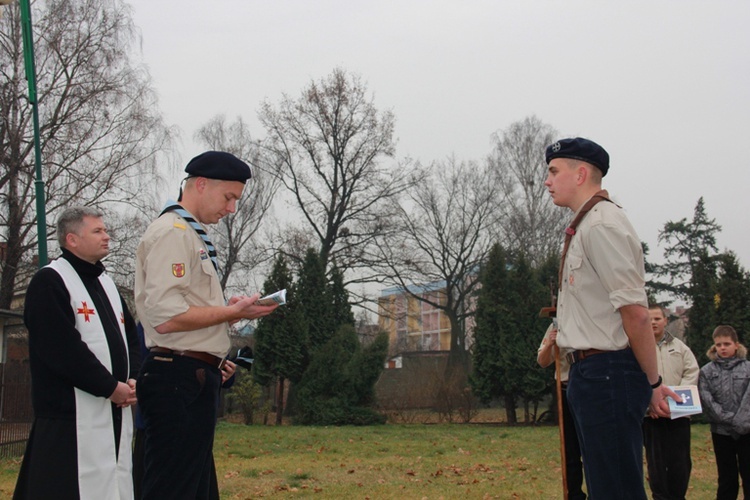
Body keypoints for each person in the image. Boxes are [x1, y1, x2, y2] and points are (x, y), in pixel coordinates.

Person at [135, 151, 278, 499]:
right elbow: (167, 318)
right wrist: (233, 314)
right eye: (229, 197)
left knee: (193, 487)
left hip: (191, 377)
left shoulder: (191, 235)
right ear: (200, 184)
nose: (231, 209)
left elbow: (186, 309)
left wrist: (228, 309)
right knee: (173, 488)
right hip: (176, 376)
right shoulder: (173, 232)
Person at [544, 137, 679, 500]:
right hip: (592, 375)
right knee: (607, 486)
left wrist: (652, 384)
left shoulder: (602, 225)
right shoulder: (585, 225)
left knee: (616, 490)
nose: (547, 181)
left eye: (554, 171)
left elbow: (634, 313)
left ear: (581, 173)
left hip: (609, 374)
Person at [14, 206, 139, 500]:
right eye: (98, 231)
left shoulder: (107, 284)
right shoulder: (50, 281)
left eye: (106, 230)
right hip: (68, 419)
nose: (107, 237)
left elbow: (130, 338)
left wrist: (132, 377)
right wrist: (109, 387)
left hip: (113, 414)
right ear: (71, 239)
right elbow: (61, 349)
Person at [642, 304, 699, 500]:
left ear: (665, 320)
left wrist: (676, 403)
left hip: (678, 415)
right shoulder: (638, 349)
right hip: (652, 416)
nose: (653, 322)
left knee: (680, 463)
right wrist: (651, 402)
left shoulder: (680, 348)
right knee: (656, 463)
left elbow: (691, 373)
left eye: (657, 318)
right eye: (648, 319)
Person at [699, 325, 750, 500]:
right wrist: (727, 419)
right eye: (718, 344)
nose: (722, 348)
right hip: (721, 432)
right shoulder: (706, 372)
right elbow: (707, 399)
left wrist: (741, 420)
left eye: (727, 344)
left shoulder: (748, 368)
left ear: (736, 345)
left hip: (747, 430)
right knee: (727, 477)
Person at [537, 323, 586, 500]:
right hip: (565, 388)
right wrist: (550, 343)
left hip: (590, 388)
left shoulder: (589, 318)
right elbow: (542, 361)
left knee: (592, 446)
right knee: (570, 448)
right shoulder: (556, 324)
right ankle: (574, 495)